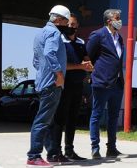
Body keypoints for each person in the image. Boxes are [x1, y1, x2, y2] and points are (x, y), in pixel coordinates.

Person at [26, 5, 70, 167]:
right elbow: (49, 53)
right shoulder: (54, 33)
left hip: (42, 81)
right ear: (58, 19)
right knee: (43, 121)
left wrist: (43, 73)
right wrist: (59, 74)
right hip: (52, 83)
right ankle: (34, 156)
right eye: (65, 21)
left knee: (48, 120)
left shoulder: (40, 33)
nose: (67, 25)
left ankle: (52, 153)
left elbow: (36, 61)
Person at [47, 13, 93, 163]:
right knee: (59, 119)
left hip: (78, 85)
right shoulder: (60, 41)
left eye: (73, 25)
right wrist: (80, 66)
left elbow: (86, 60)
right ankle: (55, 151)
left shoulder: (80, 42)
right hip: (63, 85)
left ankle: (70, 150)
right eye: (68, 25)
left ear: (77, 26)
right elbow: (62, 65)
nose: (70, 27)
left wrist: (89, 66)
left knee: (73, 119)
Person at [86, 8, 125, 159]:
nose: (120, 20)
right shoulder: (98, 35)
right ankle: (95, 148)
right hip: (102, 82)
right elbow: (88, 55)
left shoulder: (119, 38)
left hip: (117, 83)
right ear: (109, 20)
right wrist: (92, 74)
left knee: (113, 117)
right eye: (117, 18)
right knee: (97, 114)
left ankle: (112, 148)